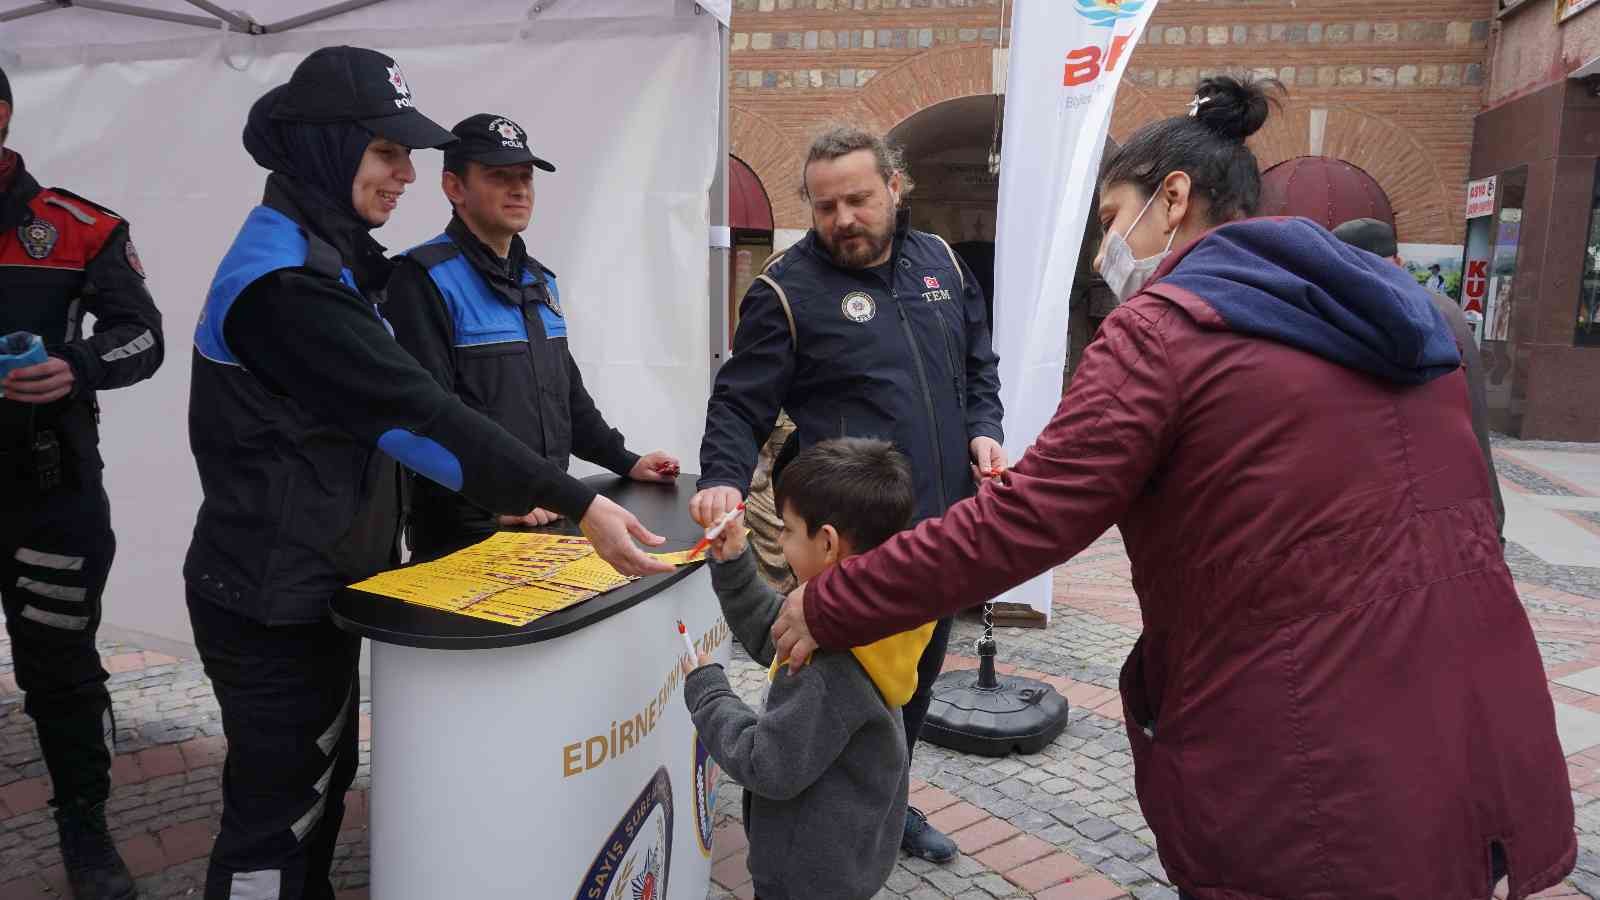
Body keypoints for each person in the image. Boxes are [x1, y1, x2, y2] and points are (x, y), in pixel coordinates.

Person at [772, 76, 1576, 899]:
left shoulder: (1163, 332)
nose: (1103, 252)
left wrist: (837, 601)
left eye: (1113, 219)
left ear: (1175, 198)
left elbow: (1025, 521)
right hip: (1475, 713)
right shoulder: (1424, 318)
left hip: (1310, 747)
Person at [184, 46, 671, 900]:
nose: (408, 172)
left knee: (318, 792)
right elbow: (420, 413)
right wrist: (572, 502)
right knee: (275, 822)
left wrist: (608, 464)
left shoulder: (328, 259)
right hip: (270, 592)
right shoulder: (287, 285)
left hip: (314, 578)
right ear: (327, 150)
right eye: (388, 151)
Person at [691, 125, 1006, 862]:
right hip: (849, 547)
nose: (842, 221)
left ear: (895, 188)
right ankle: (808, 827)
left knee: (912, 683)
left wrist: (984, 427)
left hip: (943, 531)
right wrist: (721, 480)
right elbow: (740, 404)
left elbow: (977, 366)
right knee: (830, 689)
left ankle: (885, 810)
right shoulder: (785, 289)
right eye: (825, 206)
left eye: (858, 200)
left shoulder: (943, 265)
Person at [0, 63, 163, 900]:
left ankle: (83, 824)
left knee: (58, 666)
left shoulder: (77, 226)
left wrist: (75, 365)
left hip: (46, 489)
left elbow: (144, 336)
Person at [384, 113, 679, 560]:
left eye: (525, 177)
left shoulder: (539, 281)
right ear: (454, 187)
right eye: (499, 176)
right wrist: (497, 499)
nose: (519, 189)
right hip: (465, 535)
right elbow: (423, 421)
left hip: (546, 522)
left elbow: (567, 400)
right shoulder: (421, 279)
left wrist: (626, 460)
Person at [682, 438, 935, 900]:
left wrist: (709, 692)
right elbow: (775, 632)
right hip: (848, 858)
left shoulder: (828, 666)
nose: (778, 540)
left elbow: (766, 763)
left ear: (828, 543)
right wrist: (735, 562)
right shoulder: (872, 626)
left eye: (787, 530)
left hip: (806, 874)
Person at [1332, 217, 1505, 542]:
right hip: (1455, 502)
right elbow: (1476, 418)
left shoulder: (1340, 314)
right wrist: (1493, 516)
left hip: (1382, 515)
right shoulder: (1446, 311)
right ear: (1398, 261)